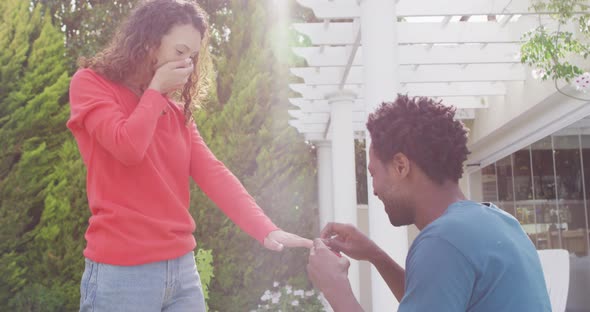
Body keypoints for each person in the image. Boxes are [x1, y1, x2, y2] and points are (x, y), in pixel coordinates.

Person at [67, 1, 312, 311]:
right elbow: (127, 147)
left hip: (181, 272)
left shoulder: (174, 110)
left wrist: (266, 229)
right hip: (123, 273)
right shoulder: (91, 84)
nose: (187, 64)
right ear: (149, 42)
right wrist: (156, 91)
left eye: (192, 57)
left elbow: (214, 173)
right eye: (179, 52)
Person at [307, 95, 551, 311]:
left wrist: (336, 288)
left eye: (373, 174)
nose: (374, 190)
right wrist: (376, 256)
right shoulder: (498, 222)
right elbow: (436, 298)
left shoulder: (444, 240)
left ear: (401, 166)